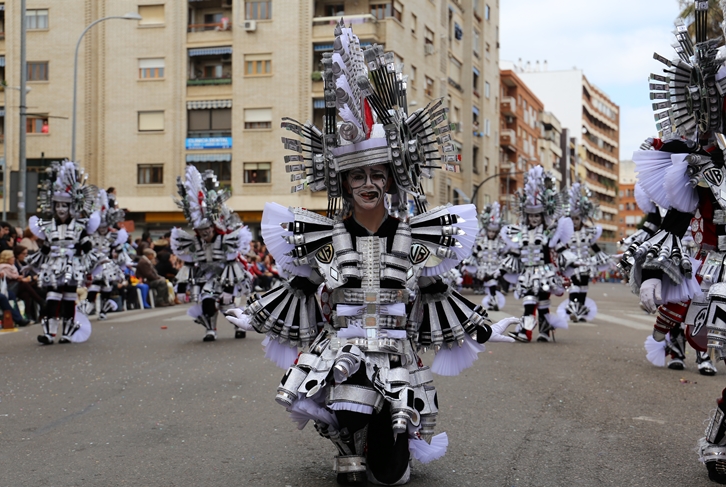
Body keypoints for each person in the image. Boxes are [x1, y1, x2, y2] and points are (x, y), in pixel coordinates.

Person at [226, 23, 518, 485]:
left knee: (391, 476)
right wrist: (254, 317)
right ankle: (346, 433)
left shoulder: (416, 234)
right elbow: (298, 286)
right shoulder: (320, 234)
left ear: (390, 179)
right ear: (344, 182)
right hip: (341, 354)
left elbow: (438, 292)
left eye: (377, 174)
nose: (367, 184)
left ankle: (379, 437)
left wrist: (488, 329)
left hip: (397, 356)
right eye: (357, 176)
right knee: (350, 447)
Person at [615, 6, 726, 482]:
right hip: (719, 266)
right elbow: (678, 216)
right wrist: (657, 271)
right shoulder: (699, 154)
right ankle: (721, 436)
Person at [171, 166, 253, 341]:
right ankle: (211, 330)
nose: (204, 234)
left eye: (207, 230)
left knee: (227, 303)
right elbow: (188, 264)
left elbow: (232, 265)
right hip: (208, 277)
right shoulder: (195, 243)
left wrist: (230, 288)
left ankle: (240, 326)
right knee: (207, 301)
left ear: (213, 228)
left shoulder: (225, 241)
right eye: (200, 231)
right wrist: (181, 287)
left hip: (227, 276)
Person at [26, 160, 99, 344]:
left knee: (68, 298)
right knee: (52, 296)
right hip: (53, 265)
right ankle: (49, 334)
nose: (60, 209)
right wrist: (31, 264)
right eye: (58, 206)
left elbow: (86, 247)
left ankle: (67, 332)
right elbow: (44, 249)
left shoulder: (80, 226)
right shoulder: (48, 227)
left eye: (64, 206)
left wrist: (99, 263)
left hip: (72, 266)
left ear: (71, 207)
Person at [500, 165, 572, 343]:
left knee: (543, 304)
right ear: (526, 215)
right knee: (529, 302)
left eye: (537, 215)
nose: (533, 218)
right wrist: (502, 270)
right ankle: (525, 332)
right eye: (531, 215)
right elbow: (516, 252)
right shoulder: (521, 232)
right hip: (528, 273)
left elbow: (558, 248)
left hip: (546, 272)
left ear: (542, 215)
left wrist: (571, 263)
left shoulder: (549, 232)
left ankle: (544, 333)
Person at [556, 182, 611, 323]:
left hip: (586, 264)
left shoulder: (588, 232)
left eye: (577, 218)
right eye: (572, 218)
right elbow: (560, 247)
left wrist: (602, 257)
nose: (575, 221)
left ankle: (579, 311)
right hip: (572, 264)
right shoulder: (566, 234)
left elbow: (594, 246)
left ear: (582, 218)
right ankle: (573, 310)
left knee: (583, 287)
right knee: (574, 286)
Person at [83, 189, 129, 320]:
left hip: (108, 264)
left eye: (104, 227)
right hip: (94, 263)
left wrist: (123, 266)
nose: (102, 229)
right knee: (94, 286)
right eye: (100, 227)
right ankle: (87, 308)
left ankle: (103, 310)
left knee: (107, 287)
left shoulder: (114, 235)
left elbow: (120, 250)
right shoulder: (91, 235)